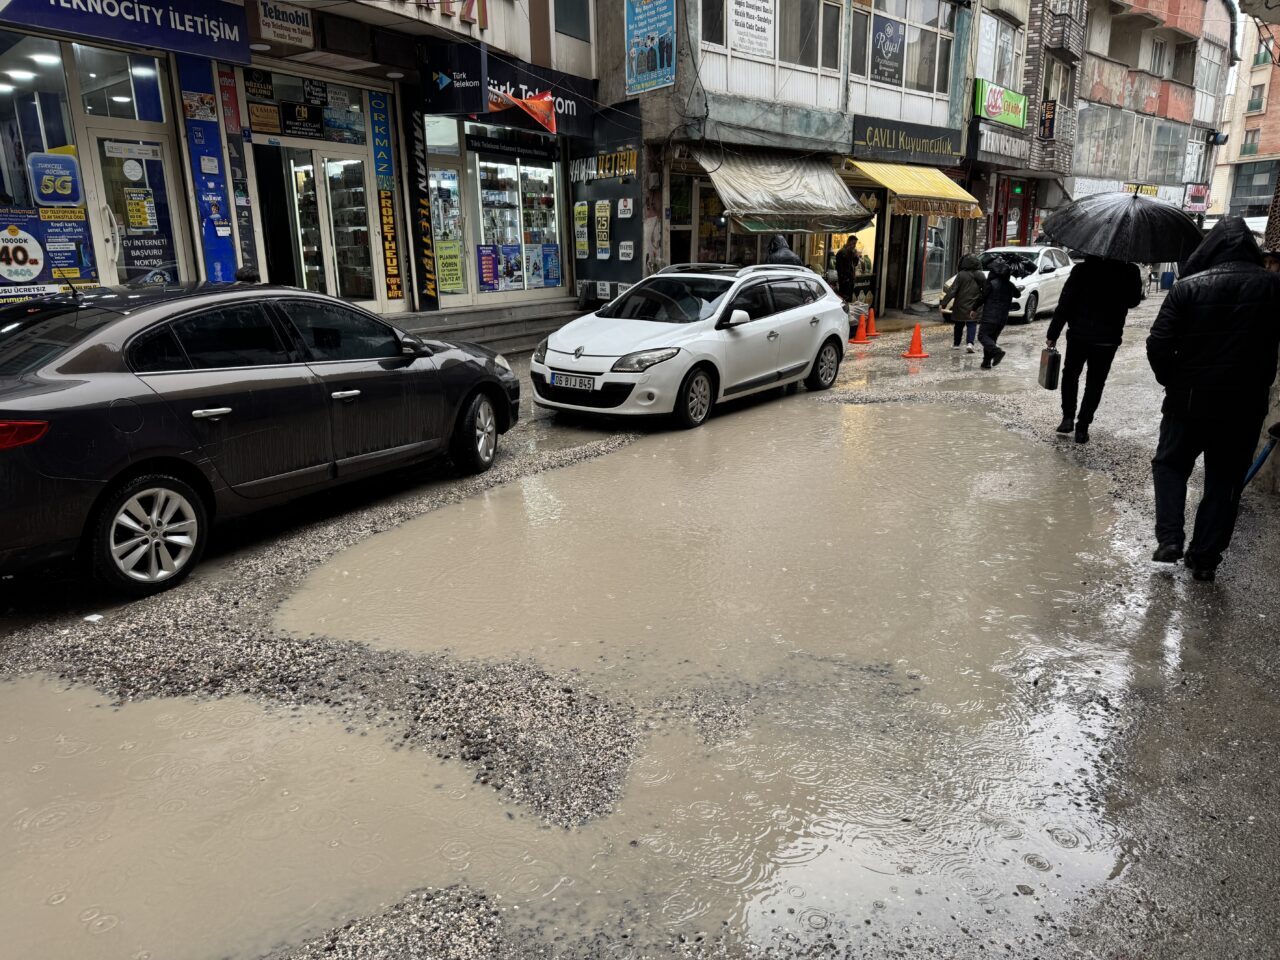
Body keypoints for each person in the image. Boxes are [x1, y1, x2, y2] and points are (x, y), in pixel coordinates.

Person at [1146, 217, 1280, 582]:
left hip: (1187, 401)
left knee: (1170, 466)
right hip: (1244, 406)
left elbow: (1158, 342)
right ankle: (1205, 559)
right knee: (1225, 481)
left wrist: (1173, 381)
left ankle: (1170, 540)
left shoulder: (1188, 288)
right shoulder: (1274, 287)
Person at [1045, 255, 1143, 444]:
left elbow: (1065, 303)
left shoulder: (1082, 270)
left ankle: (1067, 418)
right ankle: (1083, 426)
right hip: (1108, 338)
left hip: (1079, 334)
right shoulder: (1129, 270)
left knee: (1070, 375)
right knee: (1096, 382)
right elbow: (1133, 301)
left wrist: (1053, 333)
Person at [939, 254, 984, 352]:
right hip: (974, 305)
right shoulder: (980, 274)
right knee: (972, 324)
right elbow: (986, 289)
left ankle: (956, 344)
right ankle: (970, 343)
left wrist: (944, 302)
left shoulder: (961, 275)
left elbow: (952, 290)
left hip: (960, 305)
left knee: (958, 325)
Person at [978, 256, 1014, 368]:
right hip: (1002, 318)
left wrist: (973, 309)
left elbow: (982, 298)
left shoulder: (991, 283)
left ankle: (997, 352)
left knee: (982, 336)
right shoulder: (1009, 285)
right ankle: (986, 362)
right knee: (991, 339)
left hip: (990, 316)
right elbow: (1018, 294)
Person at [834, 236, 858, 302]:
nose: (854, 246)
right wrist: (844, 279)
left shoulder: (852, 253)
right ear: (848, 242)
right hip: (844, 281)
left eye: (855, 244)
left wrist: (856, 256)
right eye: (853, 243)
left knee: (849, 299)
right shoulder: (841, 253)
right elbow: (839, 268)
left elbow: (855, 264)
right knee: (844, 299)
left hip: (850, 280)